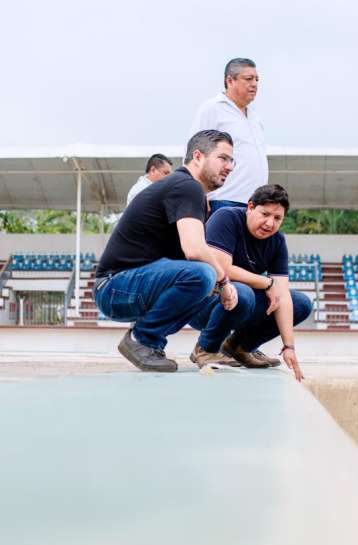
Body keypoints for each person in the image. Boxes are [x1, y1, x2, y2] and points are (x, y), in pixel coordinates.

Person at [94, 130, 238, 372]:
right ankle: (143, 340)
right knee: (204, 275)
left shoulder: (188, 190)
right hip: (114, 287)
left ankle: (216, 345)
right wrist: (224, 281)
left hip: (128, 285)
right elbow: (195, 250)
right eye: (223, 158)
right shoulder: (187, 186)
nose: (230, 167)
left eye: (232, 161)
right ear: (198, 156)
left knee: (212, 286)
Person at [188, 184, 312, 381]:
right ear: (251, 207)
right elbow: (221, 269)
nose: (270, 223)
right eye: (265, 214)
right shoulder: (226, 218)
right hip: (202, 301)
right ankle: (206, 349)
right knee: (243, 293)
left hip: (239, 303)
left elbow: (282, 293)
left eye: (277, 218)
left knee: (301, 303)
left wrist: (289, 346)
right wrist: (266, 283)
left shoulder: (277, 241)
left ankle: (240, 347)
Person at [189, 58, 267, 215]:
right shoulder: (212, 109)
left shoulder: (255, 117)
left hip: (254, 203)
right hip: (224, 199)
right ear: (230, 80)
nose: (254, 84)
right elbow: (193, 151)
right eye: (248, 79)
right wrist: (199, 193)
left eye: (257, 79)